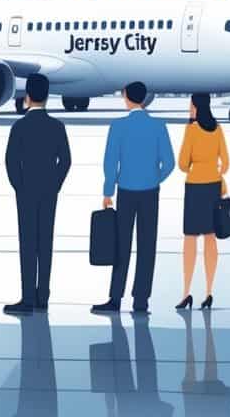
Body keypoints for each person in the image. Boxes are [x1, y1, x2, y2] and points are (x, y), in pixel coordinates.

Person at [93, 81, 175, 315]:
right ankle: (141, 301)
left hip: (126, 191)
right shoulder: (158, 126)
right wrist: (154, 178)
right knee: (147, 245)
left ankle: (115, 298)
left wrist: (109, 190)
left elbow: (110, 162)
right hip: (150, 192)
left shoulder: (118, 126)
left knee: (122, 245)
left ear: (126, 97)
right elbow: (168, 163)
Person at [4, 73, 71, 315]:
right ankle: (43, 295)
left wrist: (19, 186)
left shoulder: (20, 126)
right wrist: (55, 184)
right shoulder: (57, 126)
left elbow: (11, 161)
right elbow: (65, 160)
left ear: (28, 96)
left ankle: (28, 297)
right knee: (46, 243)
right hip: (49, 191)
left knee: (28, 243)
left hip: (26, 192)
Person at [176, 93, 229, 311]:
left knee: (190, 239)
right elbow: (225, 163)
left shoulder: (191, 130)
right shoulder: (218, 129)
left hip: (195, 187)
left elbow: (181, 163)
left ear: (195, 107)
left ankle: (186, 292)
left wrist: (195, 169)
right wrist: (213, 171)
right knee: (210, 237)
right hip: (213, 186)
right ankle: (208, 291)